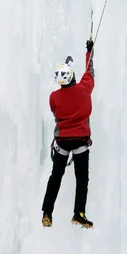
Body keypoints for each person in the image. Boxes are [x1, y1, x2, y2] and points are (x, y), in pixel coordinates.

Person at [42, 40, 95, 228]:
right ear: (72, 76)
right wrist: (89, 52)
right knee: (82, 179)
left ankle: (47, 212)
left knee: (56, 176)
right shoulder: (84, 89)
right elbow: (89, 73)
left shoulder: (54, 97)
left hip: (62, 142)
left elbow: (55, 111)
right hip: (80, 141)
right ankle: (79, 213)